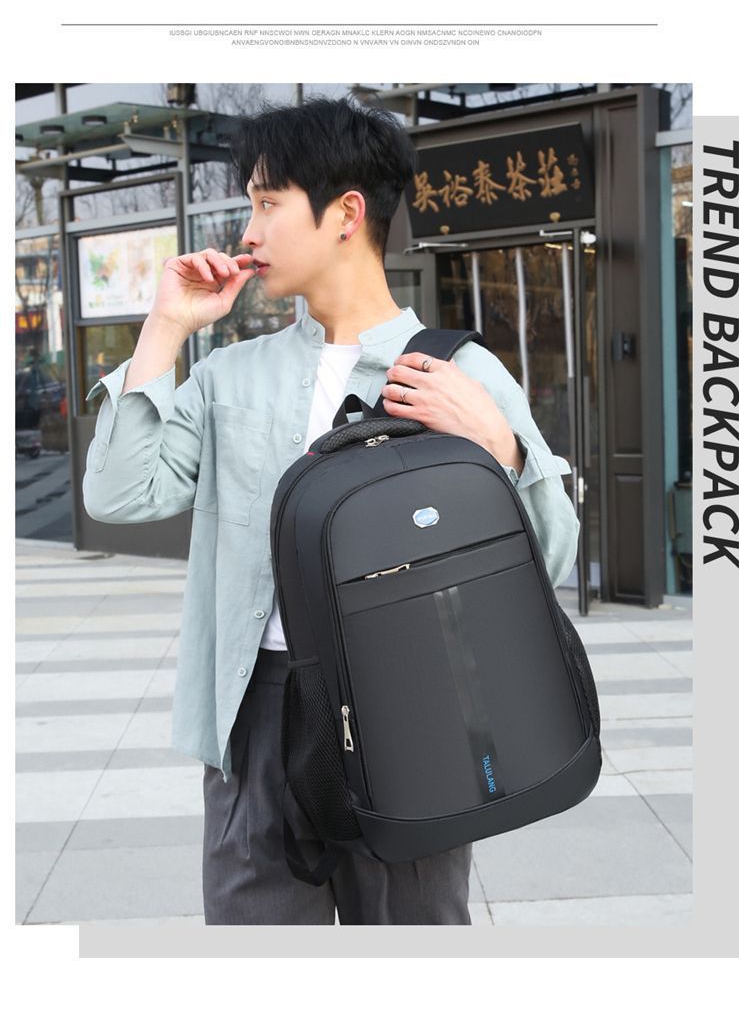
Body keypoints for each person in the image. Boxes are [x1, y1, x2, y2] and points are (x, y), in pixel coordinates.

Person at [82, 93, 580, 926]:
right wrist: (166, 329)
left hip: (412, 709)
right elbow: (118, 493)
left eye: (268, 204)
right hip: (257, 716)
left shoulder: (458, 375)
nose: (247, 231)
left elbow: (550, 560)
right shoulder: (230, 375)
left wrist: (501, 448)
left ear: (346, 213)